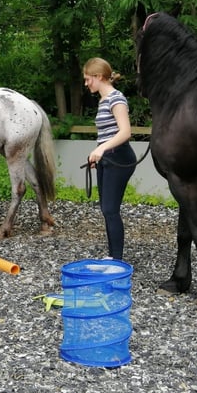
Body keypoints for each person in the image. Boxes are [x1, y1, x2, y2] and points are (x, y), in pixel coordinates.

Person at [83, 57, 136, 261]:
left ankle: (117, 260)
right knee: (107, 210)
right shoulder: (103, 100)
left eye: (88, 79)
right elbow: (107, 134)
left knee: (110, 209)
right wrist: (98, 154)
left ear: (99, 77)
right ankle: (113, 257)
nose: (86, 83)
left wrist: (102, 149)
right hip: (107, 158)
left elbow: (125, 132)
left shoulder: (116, 98)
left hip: (120, 157)